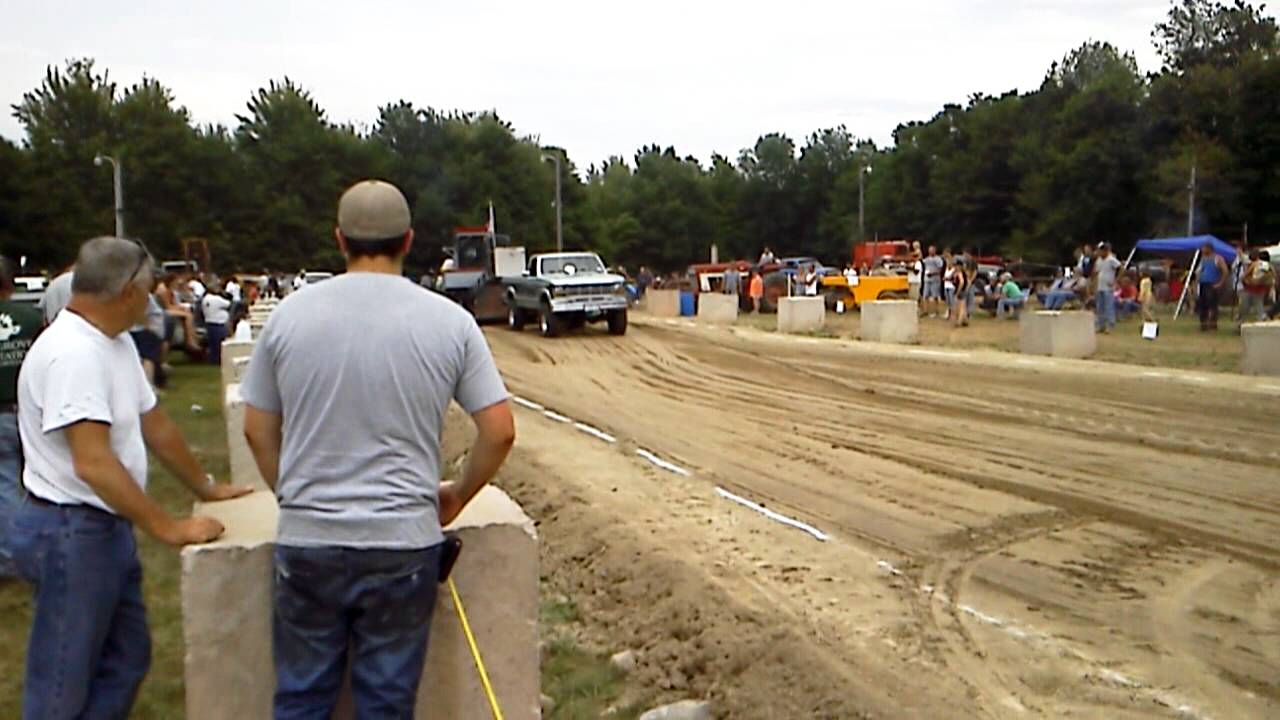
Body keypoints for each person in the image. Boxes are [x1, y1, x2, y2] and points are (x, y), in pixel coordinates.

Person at [240, 181, 516, 718]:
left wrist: (292, 493)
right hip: (402, 545)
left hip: (308, 543)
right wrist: (456, 496)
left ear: (339, 240)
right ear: (409, 240)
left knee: (299, 699)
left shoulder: (289, 316)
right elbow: (500, 430)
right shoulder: (449, 321)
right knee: (386, 706)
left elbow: (256, 428)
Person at [9, 236, 250, 719]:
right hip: (71, 532)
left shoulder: (112, 343)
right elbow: (93, 463)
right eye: (148, 290)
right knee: (62, 680)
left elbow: (154, 423)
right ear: (126, 292)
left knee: (126, 657)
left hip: (101, 528)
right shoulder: (72, 353)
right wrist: (169, 527)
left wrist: (204, 486)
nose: (153, 300)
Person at [0, 257, 42, 578]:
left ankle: (15, 557)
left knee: (5, 485)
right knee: (39, 482)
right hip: (31, 411)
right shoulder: (31, 318)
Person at [1196, 242, 1229, 332]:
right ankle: (1203, 325)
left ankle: (1212, 324)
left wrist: (1220, 283)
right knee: (1203, 305)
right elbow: (1199, 271)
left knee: (1212, 305)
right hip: (1203, 284)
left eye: (1204, 248)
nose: (1202, 250)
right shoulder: (1203, 259)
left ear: (1209, 249)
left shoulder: (1218, 258)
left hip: (1212, 284)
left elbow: (1225, 271)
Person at [1091, 243, 1123, 333]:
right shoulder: (1099, 260)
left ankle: (1110, 325)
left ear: (1105, 251)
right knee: (1100, 307)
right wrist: (1094, 283)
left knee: (1108, 306)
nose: (1099, 252)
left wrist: (1115, 281)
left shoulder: (1111, 260)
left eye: (1101, 250)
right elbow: (1096, 272)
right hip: (1100, 286)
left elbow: (1121, 268)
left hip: (1108, 287)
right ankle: (1100, 325)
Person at [1240, 249, 1274, 325]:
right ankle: (1262, 321)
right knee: (1259, 306)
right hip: (1260, 289)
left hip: (1251, 289)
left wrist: (1248, 280)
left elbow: (1243, 277)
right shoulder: (1269, 266)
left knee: (1245, 307)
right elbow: (1272, 278)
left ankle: (1242, 323)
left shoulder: (1254, 264)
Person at [201, 283, 232, 366]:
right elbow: (228, 304)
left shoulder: (205, 299)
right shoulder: (216, 299)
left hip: (209, 323)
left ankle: (213, 359)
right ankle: (218, 360)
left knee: (213, 344)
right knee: (219, 344)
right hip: (218, 323)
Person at [921, 245, 945, 317]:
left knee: (935, 296)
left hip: (935, 280)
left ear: (935, 251)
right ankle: (925, 311)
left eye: (932, 250)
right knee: (925, 295)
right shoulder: (927, 259)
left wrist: (932, 273)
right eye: (929, 250)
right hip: (927, 280)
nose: (930, 251)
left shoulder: (938, 259)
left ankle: (936, 311)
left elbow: (940, 270)